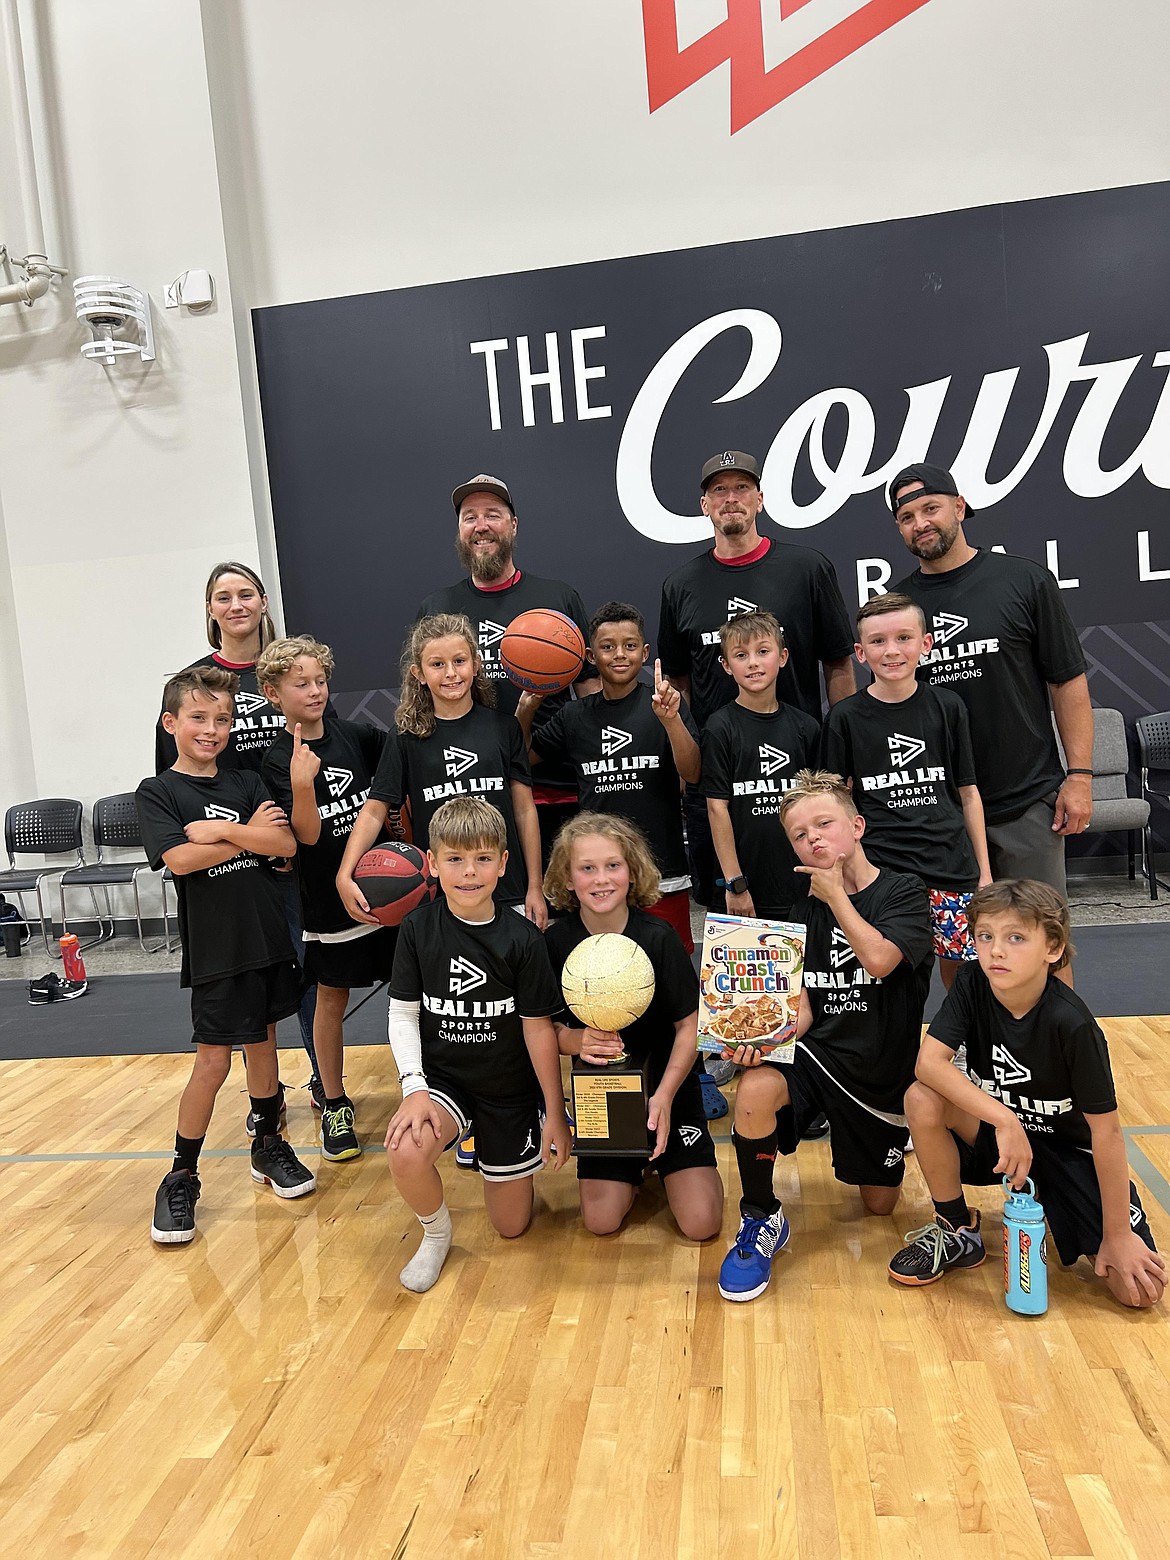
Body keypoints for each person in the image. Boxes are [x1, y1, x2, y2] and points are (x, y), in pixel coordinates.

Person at [887, 879, 1164, 1309]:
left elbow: (1107, 1135)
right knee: (921, 1097)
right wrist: (1004, 1118)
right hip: (1000, 1141)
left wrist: (1116, 1234)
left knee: (1138, 1293)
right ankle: (957, 1229)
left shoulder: (1072, 1025)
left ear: (1052, 948)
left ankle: (1082, 1209)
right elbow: (929, 1064)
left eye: (1016, 938)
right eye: (985, 936)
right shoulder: (973, 985)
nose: (996, 950)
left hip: (1068, 1153)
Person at [717, 771, 933, 1302]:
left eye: (824, 824)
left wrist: (838, 897)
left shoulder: (904, 891)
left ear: (856, 826)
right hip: (820, 1055)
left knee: (879, 1205)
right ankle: (761, 1218)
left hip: (880, 1074)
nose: (812, 838)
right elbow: (804, 1008)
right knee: (755, 1088)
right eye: (798, 834)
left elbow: (881, 962)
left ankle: (885, 1139)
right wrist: (760, 1041)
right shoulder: (802, 912)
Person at [137, 665, 315, 1245]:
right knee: (214, 1062)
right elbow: (179, 861)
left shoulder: (243, 782)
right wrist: (244, 834)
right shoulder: (158, 792)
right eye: (198, 718)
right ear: (172, 723)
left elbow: (284, 843)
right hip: (218, 950)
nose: (212, 729)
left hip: (265, 938)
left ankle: (267, 1145)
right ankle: (181, 1175)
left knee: (264, 1045)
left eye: (222, 718)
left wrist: (217, 831)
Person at [383, 797, 571, 1293]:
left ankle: (493, 1151)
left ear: (504, 863)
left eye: (483, 859)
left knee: (511, 1225)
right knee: (405, 1150)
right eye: (455, 859)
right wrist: (413, 1088)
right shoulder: (417, 929)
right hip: (445, 1083)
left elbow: (538, 1030)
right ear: (431, 862)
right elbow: (402, 1014)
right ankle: (435, 1233)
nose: (469, 872)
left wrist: (554, 1111)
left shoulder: (524, 940)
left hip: (508, 1090)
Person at [154, 560, 323, 1110]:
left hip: (288, 841)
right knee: (252, 997)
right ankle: (265, 1111)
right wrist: (243, 837)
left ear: (264, 602)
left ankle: (325, 1087)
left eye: (246, 594)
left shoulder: (290, 669)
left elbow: (320, 750)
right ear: (211, 610)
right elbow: (172, 796)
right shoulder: (195, 685)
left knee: (300, 977)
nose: (236, 605)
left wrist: (280, 835)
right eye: (224, 597)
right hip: (237, 861)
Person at [657, 450, 855, 907]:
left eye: (742, 487)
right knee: (740, 937)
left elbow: (839, 665)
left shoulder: (806, 568)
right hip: (722, 785)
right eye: (718, 490)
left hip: (800, 774)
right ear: (704, 504)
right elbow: (680, 685)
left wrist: (840, 759)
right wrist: (691, 767)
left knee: (814, 911)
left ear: (761, 499)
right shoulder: (680, 585)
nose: (731, 498)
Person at [889, 463, 1093, 900]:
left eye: (931, 508)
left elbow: (1068, 683)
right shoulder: (897, 607)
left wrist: (1080, 776)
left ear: (959, 507)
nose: (920, 524)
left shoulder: (1024, 580)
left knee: (1040, 945)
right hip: (940, 813)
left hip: (1025, 803)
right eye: (906, 518)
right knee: (957, 952)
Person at [543, 813, 724, 1240]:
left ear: (632, 871)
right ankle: (633, 1169)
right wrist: (573, 1039)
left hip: (669, 1093)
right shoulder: (555, 944)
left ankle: (673, 1165)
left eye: (613, 866)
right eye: (586, 868)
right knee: (600, 1223)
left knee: (702, 1224)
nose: (600, 879)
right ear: (567, 878)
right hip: (602, 1100)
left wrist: (663, 1097)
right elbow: (542, 1029)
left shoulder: (659, 937)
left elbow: (690, 1024)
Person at [259, 635, 399, 1163]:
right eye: (302, 684)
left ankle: (427, 1087)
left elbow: (391, 787)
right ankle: (335, 1100)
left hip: (386, 891)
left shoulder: (358, 735)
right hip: (325, 897)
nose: (315, 691)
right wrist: (300, 785)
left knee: (408, 991)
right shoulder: (276, 761)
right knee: (331, 999)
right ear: (274, 693)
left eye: (320, 681)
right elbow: (308, 838)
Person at [418, 474, 600, 859]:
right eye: (470, 517)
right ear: (459, 530)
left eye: (493, 515)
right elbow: (422, 707)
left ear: (513, 525)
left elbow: (590, 693)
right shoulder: (437, 607)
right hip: (474, 792)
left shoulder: (557, 597)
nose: (481, 525)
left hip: (555, 785)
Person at [821, 593, 992, 987]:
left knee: (964, 977)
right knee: (891, 977)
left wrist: (983, 873)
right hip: (884, 871)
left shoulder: (948, 707)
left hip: (951, 867)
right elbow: (835, 801)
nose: (892, 650)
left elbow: (967, 793)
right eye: (878, 642)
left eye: (903, 638)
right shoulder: (845, 717)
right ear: (861, 653)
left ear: (926, 643)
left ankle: (961, 1044)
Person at [336, 614, 546, 927]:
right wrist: (344, 874)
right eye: (437, 664)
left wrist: (535, 887)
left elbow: (524, 810)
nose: (450, 673)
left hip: (508, 888)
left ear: (475, 665)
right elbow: (374, 810)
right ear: (418, 673)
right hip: (440, 895)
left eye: (459, 661)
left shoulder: (504, 728)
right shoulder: (405, 737)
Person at [516, 601, 700, 950]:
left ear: (645, 652)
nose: (620, 655)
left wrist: (671, 721)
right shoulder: (574, 715)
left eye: (630, 646)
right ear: (589, 655)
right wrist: (525, 709)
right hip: (598, 878)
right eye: (607, 646)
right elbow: (521, 759)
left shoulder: (663, 704)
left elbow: (692, 773)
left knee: (669, 976)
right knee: (606, 976)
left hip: (663, 872)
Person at [702, 611, 822, 923]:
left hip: (802, 886)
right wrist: (735, 883)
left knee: (807, 971)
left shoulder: (806, 728)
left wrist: (823, 876)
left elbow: (822, 810)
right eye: (741, 655)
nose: (753, 663)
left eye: (763, 651)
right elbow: (717, 809)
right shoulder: (719, 727)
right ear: (726, 666)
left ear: (782, 657)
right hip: (744, 890)